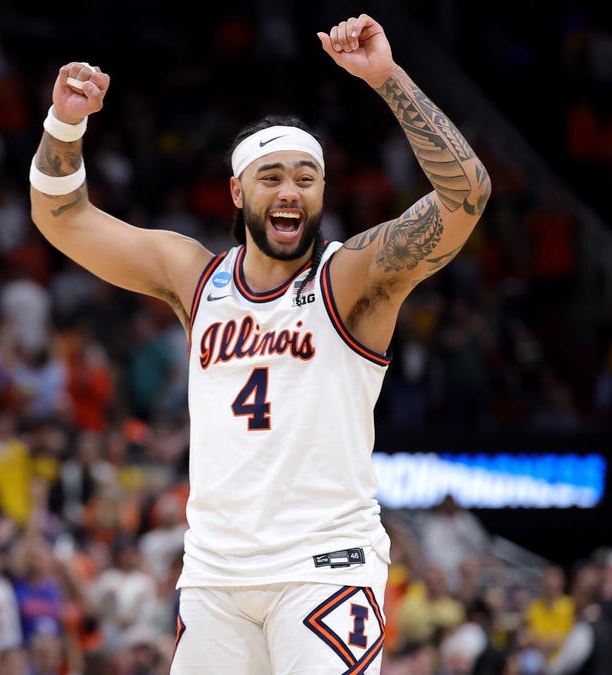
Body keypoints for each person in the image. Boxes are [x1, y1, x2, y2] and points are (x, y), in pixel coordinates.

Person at [29, 13, 490, 674]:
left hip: (323, 568)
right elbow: (62, 216)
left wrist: (387, 79)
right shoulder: (194, 277)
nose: (290, 190)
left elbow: (466, 194)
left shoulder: (351, 278)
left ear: (322, 190)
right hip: (215, 576)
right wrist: (65, 123)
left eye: (306, 177)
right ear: (237, 190)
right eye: (271, 176)